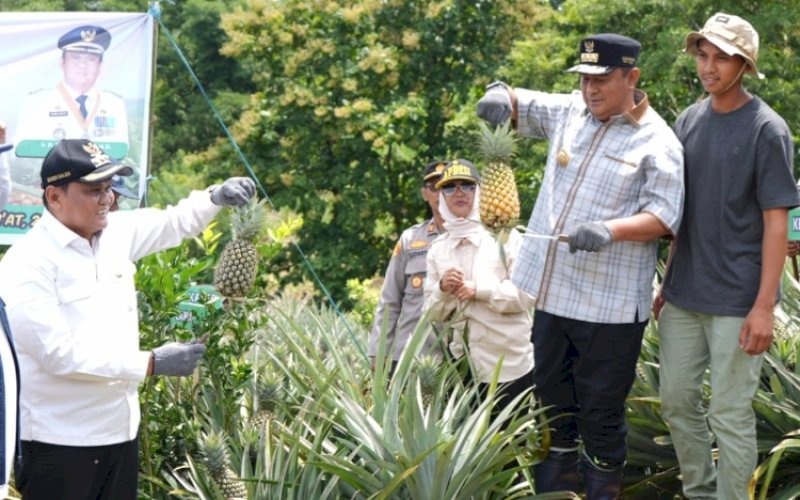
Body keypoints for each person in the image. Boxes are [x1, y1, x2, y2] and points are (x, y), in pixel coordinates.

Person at [477, 34, 684, 498]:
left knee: (601, 416)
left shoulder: (659, 141)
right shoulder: (571, 110)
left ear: (632, 77)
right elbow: (517, 101)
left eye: (602, 79)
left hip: (609, 310)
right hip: (553, 297)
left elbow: (665, 215)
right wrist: (498, 94)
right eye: (585, 79)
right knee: (553, 410)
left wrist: (611, 229)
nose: (591, 89)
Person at [0, 138, 256, 499]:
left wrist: (215, 197)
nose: (107, 198)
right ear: (55, 197)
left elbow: (173, 223)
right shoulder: (28, 262)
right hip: (60, 444)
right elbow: (57, 353)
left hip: (119, 434)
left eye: (109, 187)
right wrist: (151, 363)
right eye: (94, 190)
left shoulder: (114, 233)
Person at [653, 13, 800, 500]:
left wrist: (764, 307)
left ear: (745, 65)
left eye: (722, 58)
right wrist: (666, 284)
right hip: (684, 295)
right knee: (676, 402)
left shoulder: (767, 129)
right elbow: (680, 211)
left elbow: (777, 222)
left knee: (730, 414)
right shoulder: (688, 121)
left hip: (739, 300)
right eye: (703, 55)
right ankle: (700, 492)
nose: (708, 67)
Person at [423, 159, 535, 410]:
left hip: (509, 365)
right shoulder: (437, 250)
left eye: (467, 185)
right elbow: (430, 313)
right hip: (463, 369)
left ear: (480, 191)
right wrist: (442, 290)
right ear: (441, 196)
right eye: (450, 187)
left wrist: (479, 291)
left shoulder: (507, 239)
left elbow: (527, 294)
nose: (459, 192)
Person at [12, 25, 129, 188]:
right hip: (48, 188)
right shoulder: (37, 102)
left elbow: (121, 154)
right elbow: (20, 154)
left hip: (98, 188)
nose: (83, 66)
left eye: (91, 59)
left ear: (100, 66)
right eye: (76, 58)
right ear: (62, 63)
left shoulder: (114, 104)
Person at [369, 160, 446, 374]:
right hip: (410, 357)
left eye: (446, 186)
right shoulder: (410, 239)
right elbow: (390, 299)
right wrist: (379, 351)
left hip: (457, 358)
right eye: (434, 187)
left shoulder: (475, 239)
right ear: (424, 193)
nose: (440, 193)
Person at [0, 121, 11, 208]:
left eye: (4, 133)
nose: (4, 135)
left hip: (4, 185)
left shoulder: (2, 151)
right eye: (2, 133)